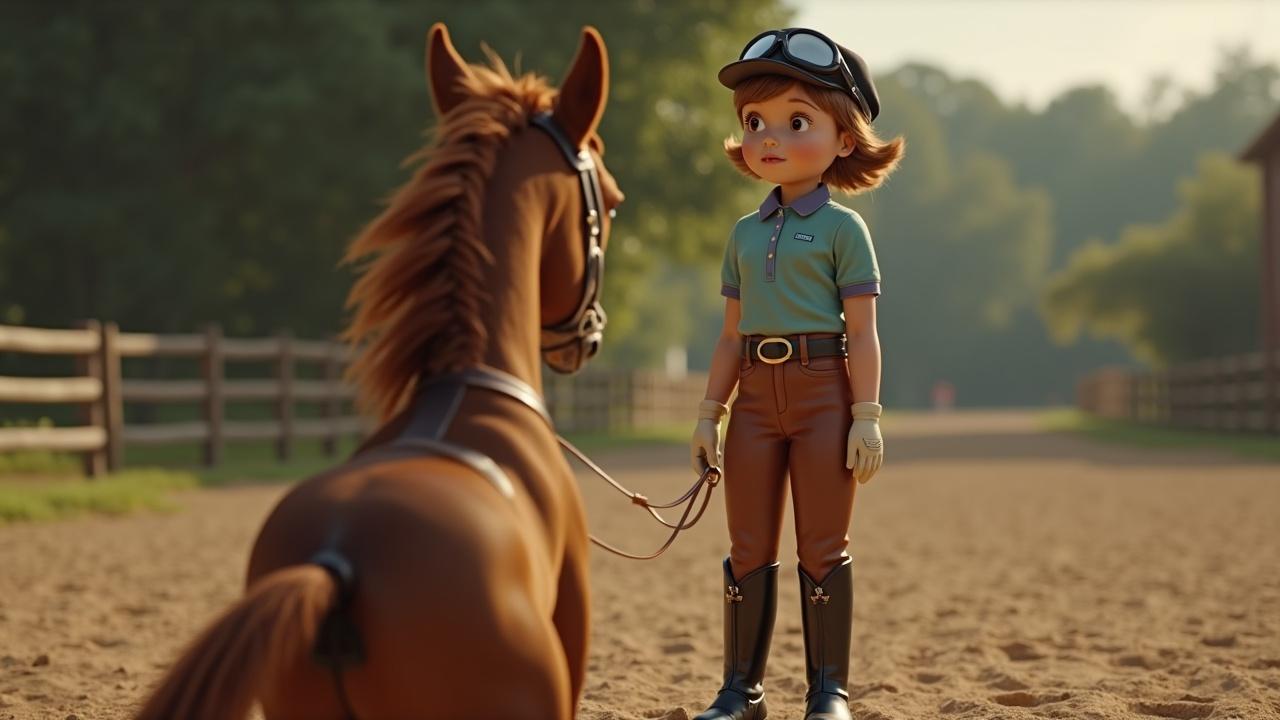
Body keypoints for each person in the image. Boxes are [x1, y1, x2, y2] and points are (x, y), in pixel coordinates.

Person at [689, 27, 905, 720]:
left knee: (822, 543)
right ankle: (740, 690)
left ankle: (827, 693)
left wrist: (866, 415)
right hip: (754, 396)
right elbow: (729, 335)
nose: (770, 138)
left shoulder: (845, 229)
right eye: (755, 122)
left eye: (795, 121)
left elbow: (864, 330)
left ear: (845, 139)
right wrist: (708, 411)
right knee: (747, 543)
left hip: (823, 392)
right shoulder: (744, 234)